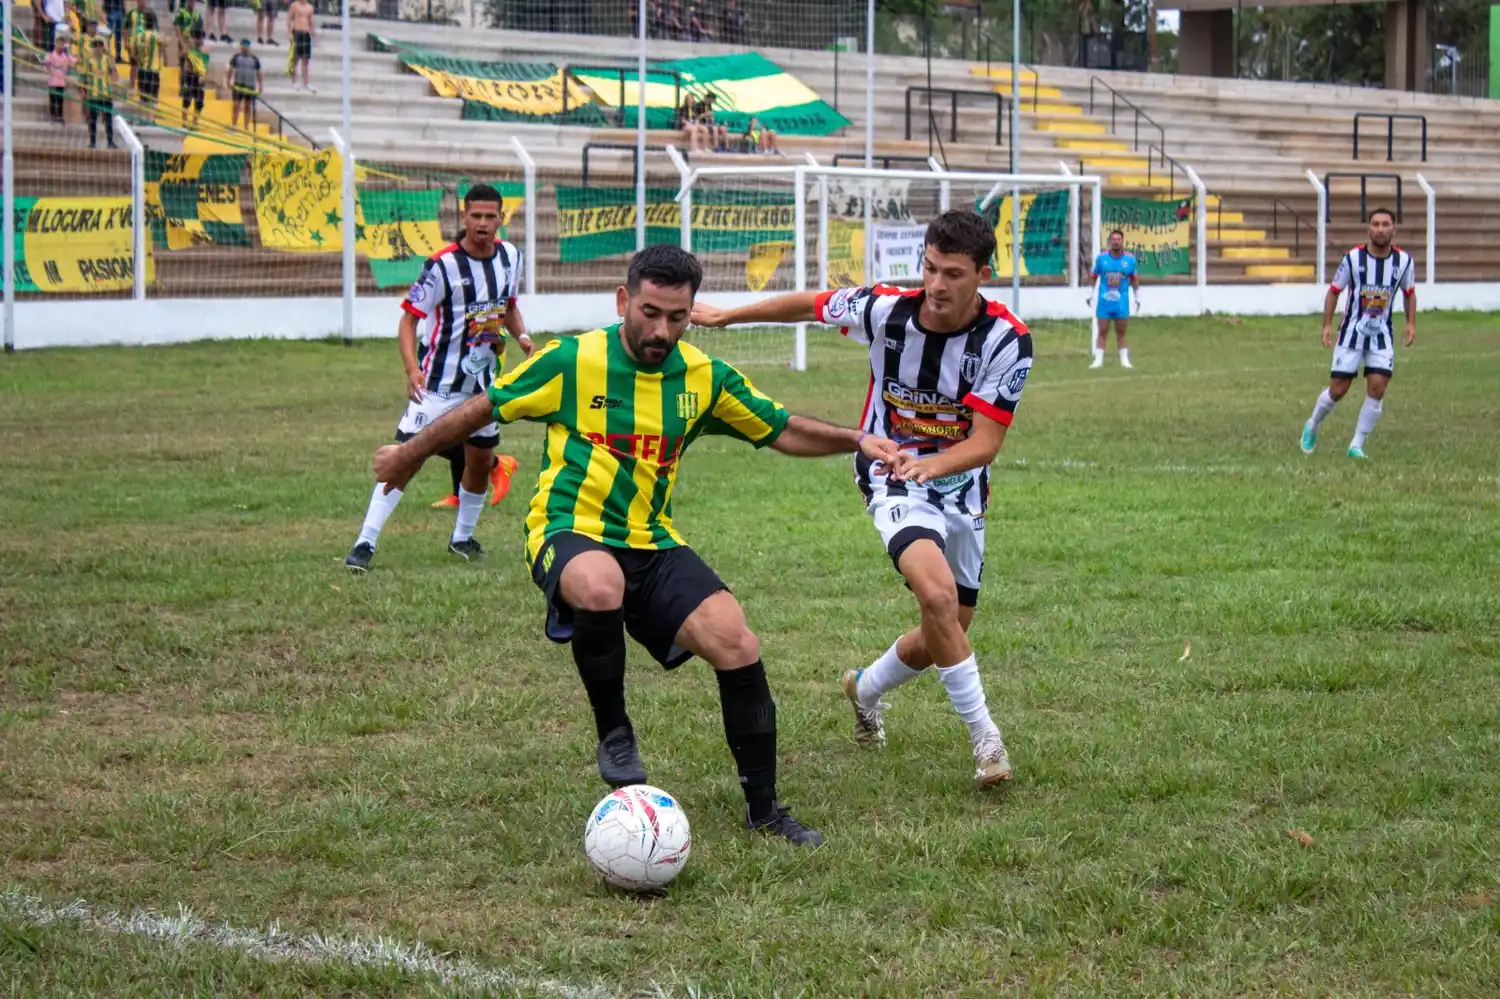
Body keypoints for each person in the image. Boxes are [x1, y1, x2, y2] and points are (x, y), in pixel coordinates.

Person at [372, 245, 908, 846]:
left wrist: (857, 439)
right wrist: (410, 455)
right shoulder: (573, 360)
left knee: (737, 640)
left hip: (651, 541)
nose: (662, 330)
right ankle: (615, 733)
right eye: (650, 312)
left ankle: (765, 812)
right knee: (601, 584)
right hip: (567, 530)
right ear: (624, 300)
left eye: (676, 317)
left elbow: (781, 429)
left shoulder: (702, 378)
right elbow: (481, 408)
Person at [691, 210, 1032, 788]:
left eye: (953, 273)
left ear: (983, 273)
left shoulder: (1007, 340)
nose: (937, 285)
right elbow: (809, 304)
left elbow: (986, 442)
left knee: (944, 631)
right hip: (889, 471)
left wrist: (934, 464)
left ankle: (864, 688)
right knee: (937, 594)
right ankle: (987, 742)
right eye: (929, 268)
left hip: (959, 486)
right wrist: (729, 315)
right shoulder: (885, 308)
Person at [345, 184, 531, 573]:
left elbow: (508, 306)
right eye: (475, 216)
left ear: (501, 218)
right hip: (437, 386)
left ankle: (462, 539)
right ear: (464, 218)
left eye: (490, 216)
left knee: (480, 462)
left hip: (482, 388)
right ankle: (365, 541)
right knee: (404, 460)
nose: (482, 224)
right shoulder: (442, 264)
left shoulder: (512, 257)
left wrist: (523, 336)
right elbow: (409, 319)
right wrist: (412, 368)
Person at [1300, 208, 1415, 460]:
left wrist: (1410, 323)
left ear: (1393, 229)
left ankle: (1356, 445)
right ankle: (1313, 424)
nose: (1381, 229)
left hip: (1381, 335)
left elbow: (1409, 292)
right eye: (1376, 224)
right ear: (1369, 229)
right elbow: (1334, 290)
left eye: (1385, 224)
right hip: (1351, 333)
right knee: (1339, 389)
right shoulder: (1353, 258)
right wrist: (1327, 325)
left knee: (1378, 387)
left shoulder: (1404, 261)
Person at [1090, 229, 1138, 369]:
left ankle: (1124, 360)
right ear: (1110, 241)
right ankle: (1098, 361)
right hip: (1104, 301)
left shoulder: (1130, 260)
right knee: (1102, 330)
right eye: (1113, 239)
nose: (1116, 242)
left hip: (1121, 302)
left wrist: (1137, 296)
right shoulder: (1101, 258)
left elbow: (1134, 279)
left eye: (1118, 239)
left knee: (1121, 331)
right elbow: (1094, 276)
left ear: (1122, 241)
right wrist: (1089, 292)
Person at [79, 31, 117, 148]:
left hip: (106, 94)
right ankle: (92, 142)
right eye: (94, 46)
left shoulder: (107, 59)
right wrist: (83, 91)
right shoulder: (88, 60)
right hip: (93, 94)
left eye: (99, 46)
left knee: (108, 120)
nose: (97, 48)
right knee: (92, 120)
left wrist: (113, 69)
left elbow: (114, 76)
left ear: (102, 47)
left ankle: (110, 142)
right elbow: (83, 77)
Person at [43, 30, 77, 125]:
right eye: (60, 44)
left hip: (61, 82)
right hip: (52, 82)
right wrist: (46, 64)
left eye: (63, 44)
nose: (61, 46)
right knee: (53, 100)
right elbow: (45, 64)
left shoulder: (66, 56)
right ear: (56, 44)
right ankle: (53, 116)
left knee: (60, 101)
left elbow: (74, 61)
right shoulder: (50, 55)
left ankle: (59, 116)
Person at [227, 39, 261, 130]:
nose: (245, 48)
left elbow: (258, 72)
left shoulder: (254, 59)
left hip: (250, 85)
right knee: (236, 106)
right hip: (238, 85)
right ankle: (234, 125)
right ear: (240, 47)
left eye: (246, 46)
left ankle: (246, 127)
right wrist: (228, 81)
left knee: (248, 106)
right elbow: (230, 69)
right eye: (243, 46)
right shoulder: (236, 57)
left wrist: (260, 85)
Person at [179, 27, 207, 127]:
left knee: (199, 101)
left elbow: (205, 64)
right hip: (189, 76)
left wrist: (203, 76)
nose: (200, 40)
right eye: (198, 38)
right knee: (187, 99)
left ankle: (194, 122)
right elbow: (183, 58)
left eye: (201, 38)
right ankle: (184, 122)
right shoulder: (189, 49)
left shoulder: (203, 50)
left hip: (199, 76)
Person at [285, 0, 314, 92]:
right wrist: (290, 33)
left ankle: (306, 83)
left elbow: (311, 21)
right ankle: (294, 82)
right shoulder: (294, 5)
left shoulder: (310, 7)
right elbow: (289, 19)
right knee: (296, 58)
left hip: (306, 33)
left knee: (306, 60)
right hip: (297, 32)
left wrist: (313, 34)